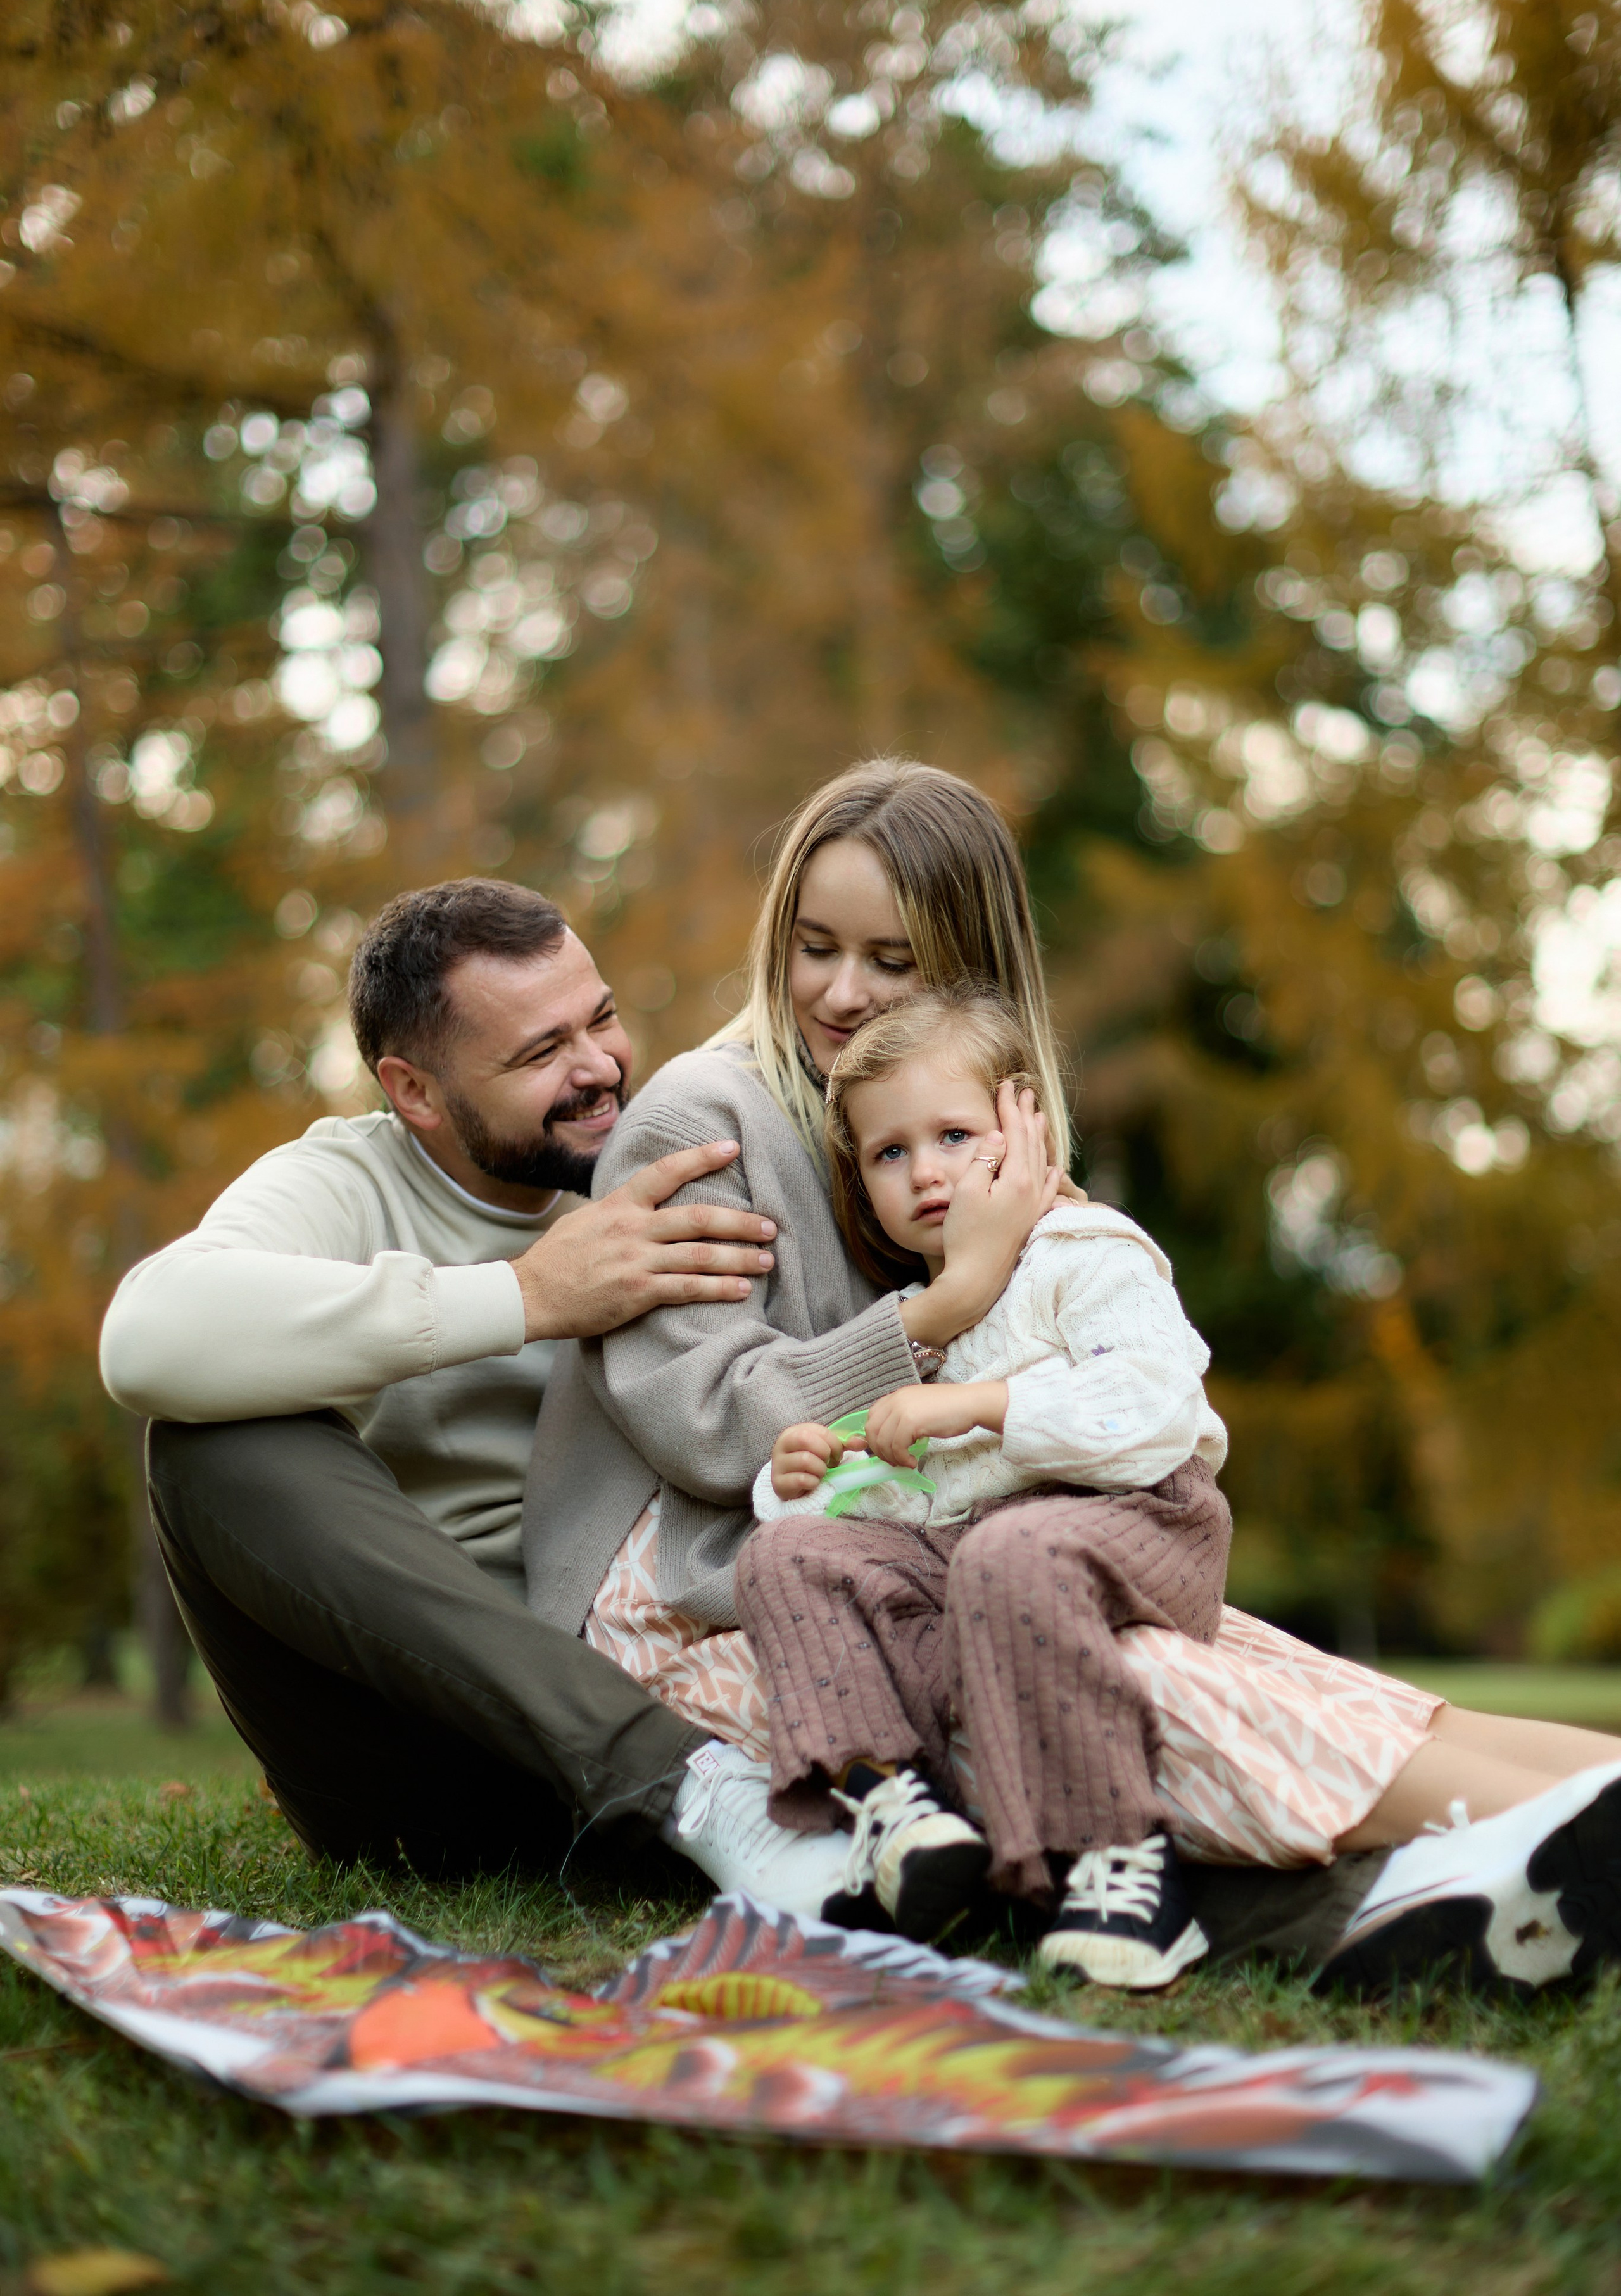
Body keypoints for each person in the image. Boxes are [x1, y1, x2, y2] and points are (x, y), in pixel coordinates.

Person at [527, 758, 1621, 1996]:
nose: (840, 993)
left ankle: (1578, 1809)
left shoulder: (946, 1126)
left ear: (969, 981)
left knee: (1250, 1658)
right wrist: (947, 1304)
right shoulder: (701, 1117)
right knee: (1139, 1682)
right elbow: (711, 1424)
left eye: (892, 963)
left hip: (917, 1533)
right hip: (702, 1585)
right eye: (813, 945)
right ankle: (1457, 1876)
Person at [99, 878, 850, 1910]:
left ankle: (701, 1779)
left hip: (686, 1671)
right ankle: (681, 1786)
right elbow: (146, 1337)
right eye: (541, 1054)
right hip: (432, 1757)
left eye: (602, 1020)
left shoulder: (680, 1164)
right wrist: (528, 1296)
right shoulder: (351, 1185)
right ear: (413, 1091)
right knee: (203, 1447)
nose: (598, 1073)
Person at [740, 983, 1233, 1988]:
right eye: (889, 1152)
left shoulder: (1088, 1254)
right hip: (972, 1542)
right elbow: (900, 1494)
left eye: (956, 1135)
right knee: (784, 1555)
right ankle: (902, 1811)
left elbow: (1154, 1408)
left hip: (1139, 1519)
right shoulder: (924, 1312)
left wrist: (982, 1404)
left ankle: (1119, 1858)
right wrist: (799, 1478)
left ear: (1024, 1125)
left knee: (1013, 1550)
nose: (926, 1171)